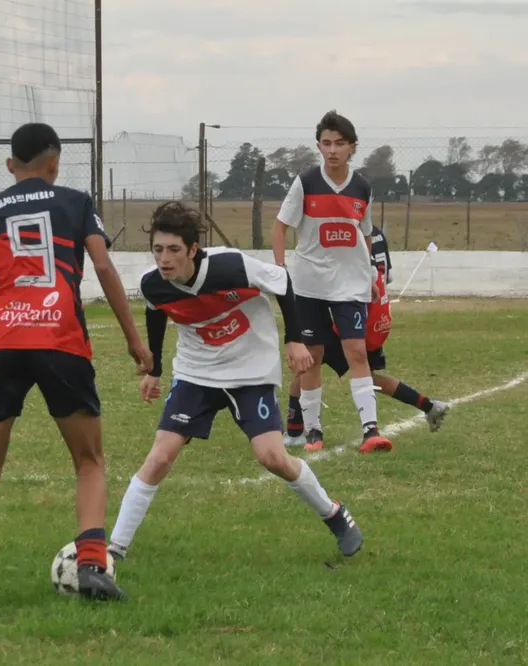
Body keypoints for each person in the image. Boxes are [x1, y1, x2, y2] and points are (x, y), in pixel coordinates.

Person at [0, 123, 153, 607]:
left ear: (9, 165)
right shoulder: (76, 202)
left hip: (4, 343)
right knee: (89, 461)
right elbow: (103, 268)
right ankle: (92, 567)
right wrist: (134, 342)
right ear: (55, 164)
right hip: (60, 339)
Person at [107, 201, 363, 564]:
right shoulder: (153, 285)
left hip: (251, 372)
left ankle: (333, 512)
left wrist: (295, 339)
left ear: (193, 249)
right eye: (158, 250)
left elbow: (283, 282)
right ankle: (114, 551)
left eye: (174, 250)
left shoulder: (230, 266)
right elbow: (155, 315)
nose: (164, 258)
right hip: (196, 374)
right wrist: (156, 371)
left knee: (272, 457)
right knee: (160, 456)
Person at [271, 110, 391, 454]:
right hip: (309, 285)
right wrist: (280, 268)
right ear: (318, 146)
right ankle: (312, 431)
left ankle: (370, 429)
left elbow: (365, 235)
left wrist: (369, 274)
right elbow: (281, 225)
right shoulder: (306, 181)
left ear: (352, 147)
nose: (332, 150)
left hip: (350, 285)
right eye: (326, 143)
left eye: (340, 143)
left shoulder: (362, 187)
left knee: (356, 351)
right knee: (312, 355)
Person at [284, 224, 449, 448]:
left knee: (306, 362)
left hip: (347, 309)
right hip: (372, 311)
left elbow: (331, 273)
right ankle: (429, 406)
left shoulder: (338, 227)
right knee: (366, 377)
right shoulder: (376, 232)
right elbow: (384, 275)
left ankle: (294, 433)